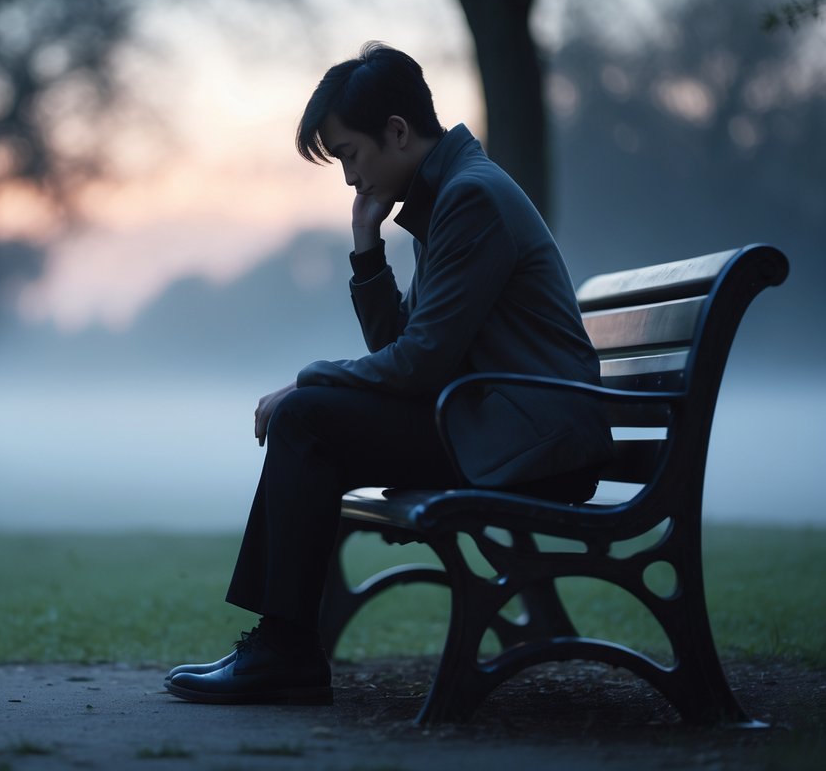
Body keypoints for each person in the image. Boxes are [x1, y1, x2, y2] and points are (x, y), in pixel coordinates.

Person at [164, 42, 613, 706]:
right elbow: (404, 350)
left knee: (306, 418)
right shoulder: (450, 195)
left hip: (532, 441)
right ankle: (283, 645)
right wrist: (366, 249)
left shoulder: (470, 199)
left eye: (350, 154)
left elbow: (417, 364)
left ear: (397, 132)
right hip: (500, 422)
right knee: (312, 422)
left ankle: (284, 649)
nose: (349, 177)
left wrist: (308, 380)